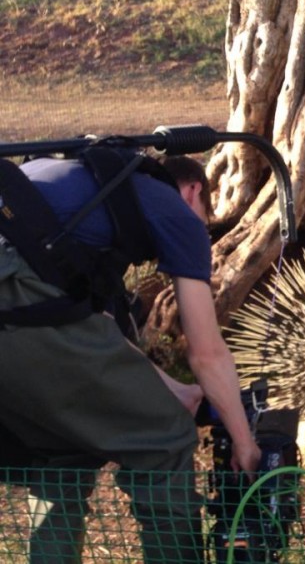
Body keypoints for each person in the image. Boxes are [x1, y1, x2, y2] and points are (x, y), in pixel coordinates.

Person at [0, 153, 260, 564]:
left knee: (63, 444)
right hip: (19, 295)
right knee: (166, 441)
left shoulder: (86, 191)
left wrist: (173, 389)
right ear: (193, 191)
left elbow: (93, 336)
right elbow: (207, 353)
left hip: (25, 305)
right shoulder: (175, 211)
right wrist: (244, 443)